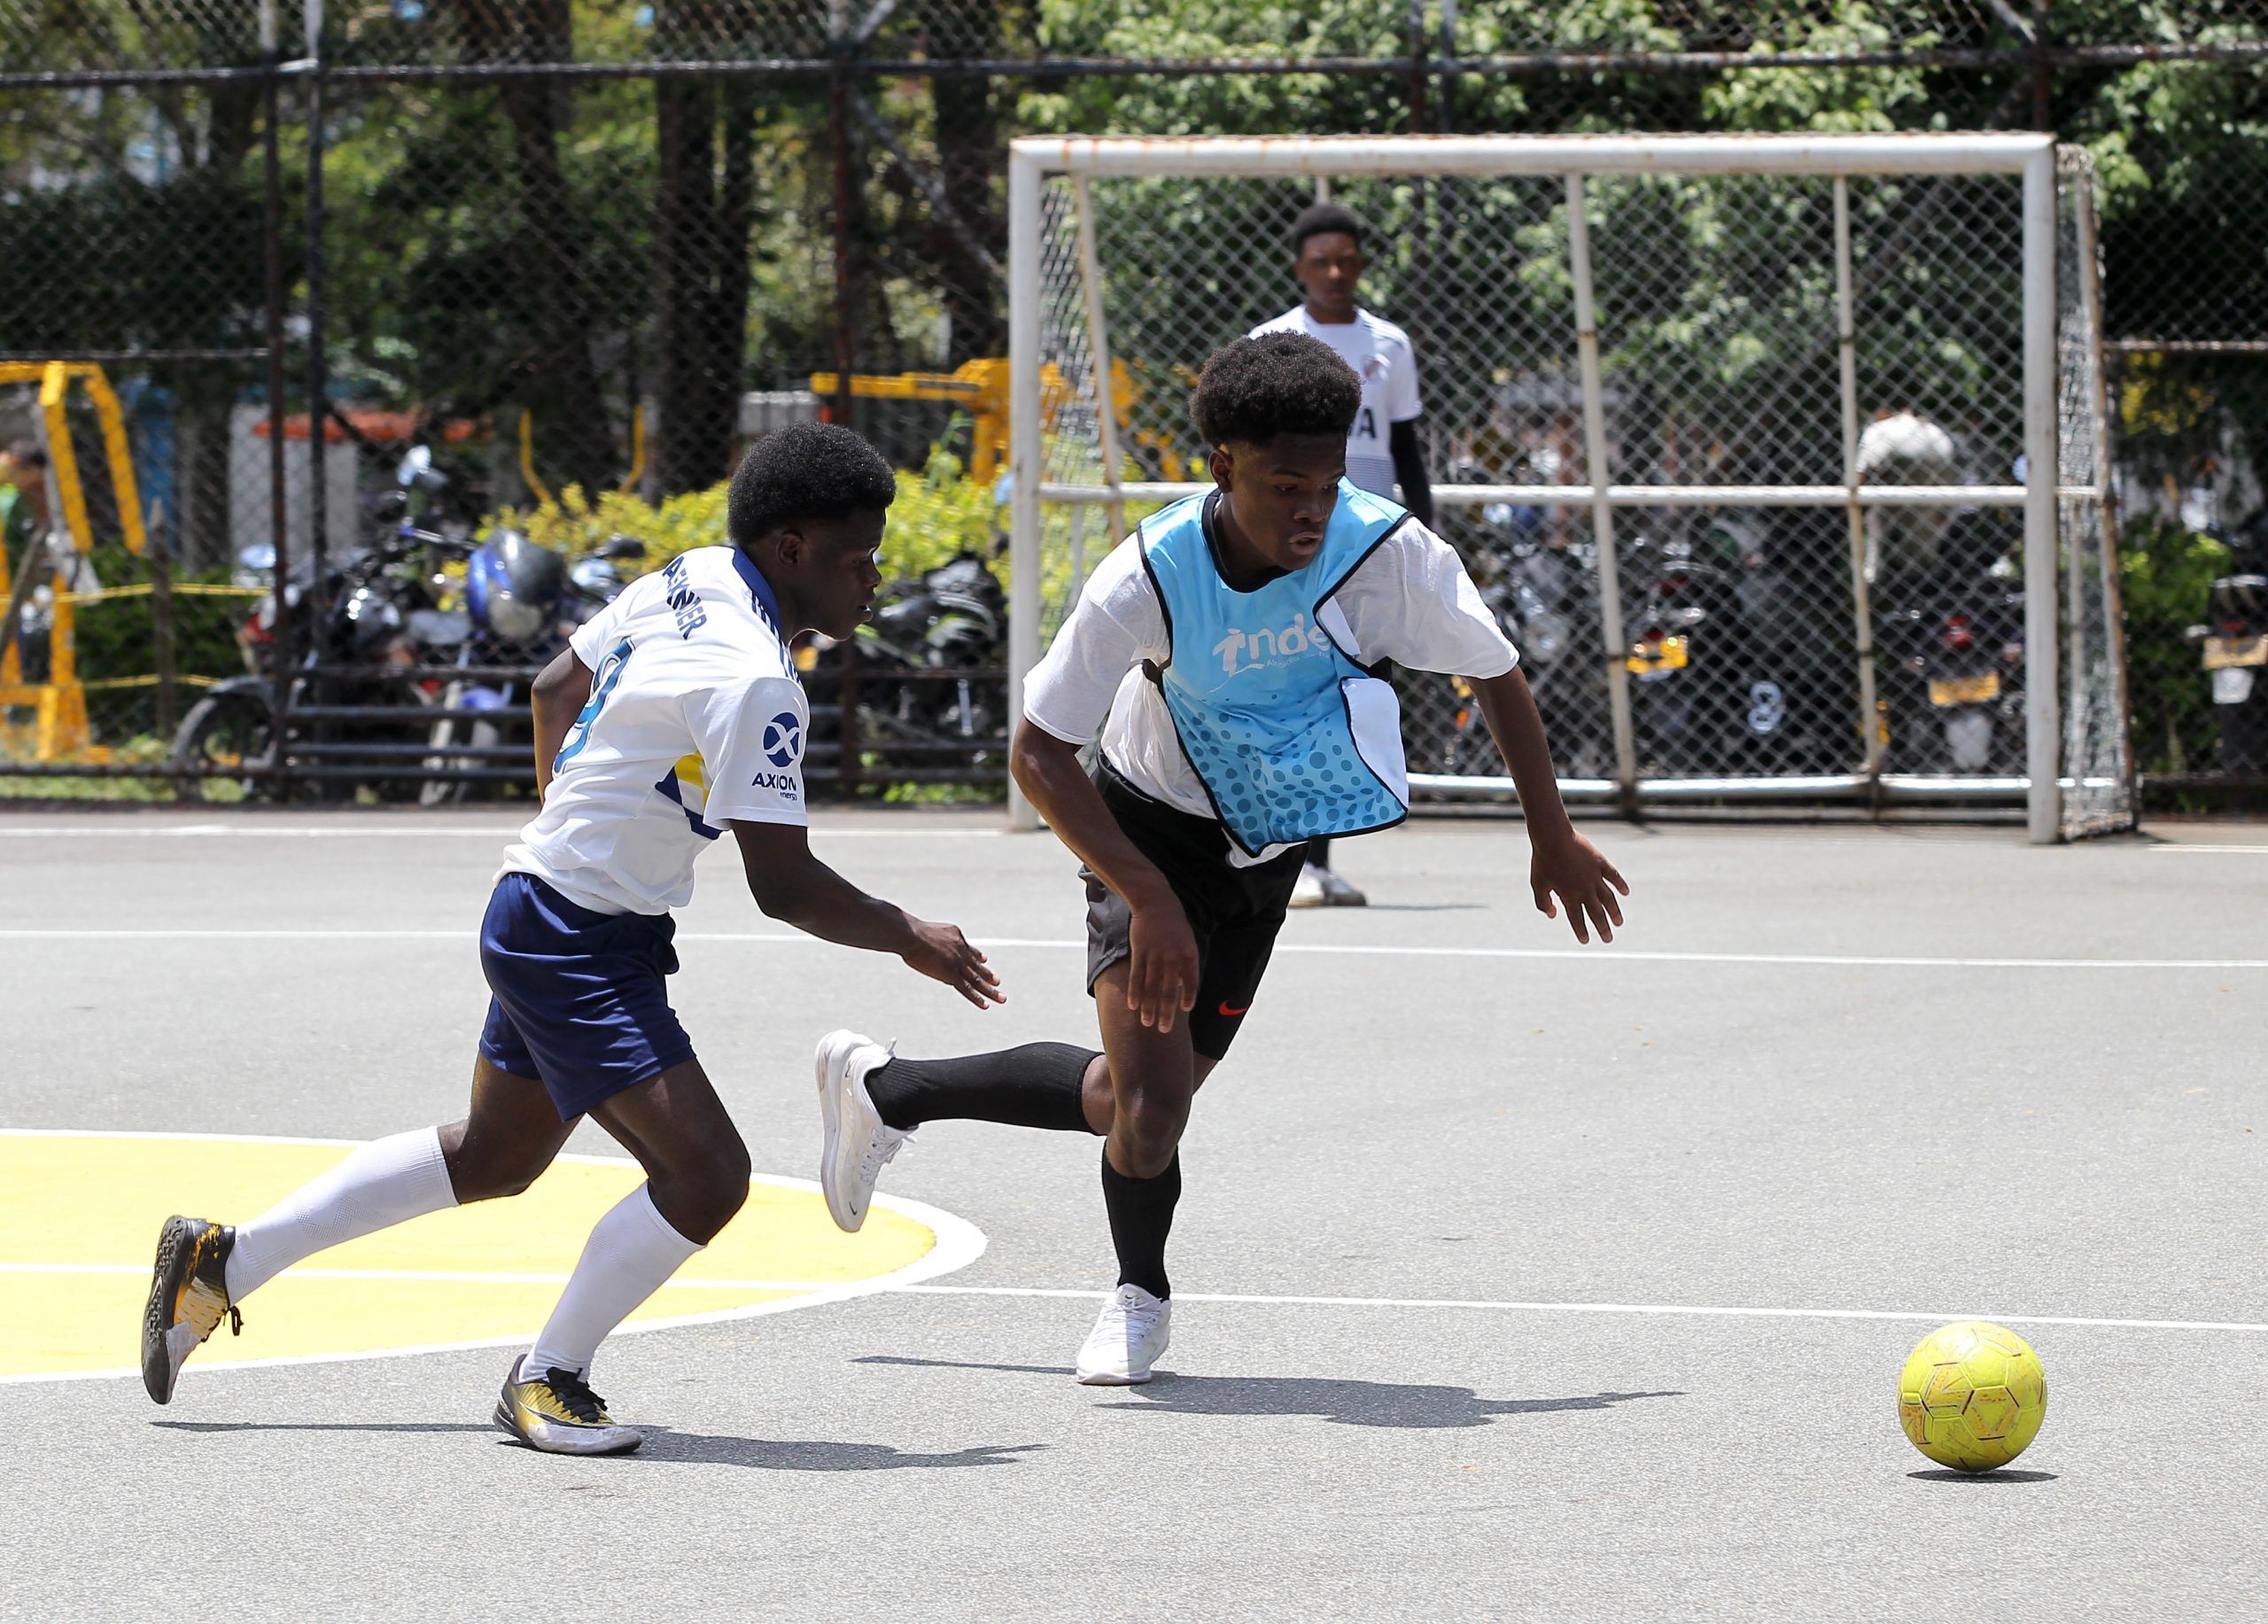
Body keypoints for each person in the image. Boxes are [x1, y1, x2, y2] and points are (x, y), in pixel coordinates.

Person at [140, 423, 1002, 1455]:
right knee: (708, 1176)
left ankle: (223, 1263)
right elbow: (783, 887)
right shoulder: (758, 684)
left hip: (549, 908)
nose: (874, 578)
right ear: (793, 548)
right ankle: (547, 1377)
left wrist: (569, 823)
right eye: (860, 556)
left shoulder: (694, 578)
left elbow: (555, 683)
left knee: (498, 1154)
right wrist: (913, 935)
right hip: (574, 935)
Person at [812, 333, 1627, 1386]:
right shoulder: (1147, 578)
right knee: (1150, 1112)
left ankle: (889, 1089)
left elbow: (1496, 674)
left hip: (1266, 846)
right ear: (1222, 466)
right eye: (1286, 484)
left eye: (1327, 485)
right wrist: (1145, 897)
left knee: (1141, 1098)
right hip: (1143, 828)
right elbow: (1036, 750)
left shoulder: (1386, 555)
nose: (1310, 510)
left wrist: (1548, 832)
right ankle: (1137, 1297)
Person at [1251, 203, 1434, 908]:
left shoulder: (1390, 344)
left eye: (1347, 259)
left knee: (1350, 698)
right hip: (1290, 547)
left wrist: (1421, 537)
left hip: (1362, 547)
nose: (1335, 272)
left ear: (1361, 264)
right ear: (1299, 268)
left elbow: (1408, 451)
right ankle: (1268, 852)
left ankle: (1313, 860)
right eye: (1320, 261)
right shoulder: (1273, 341)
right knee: (1284, 686)